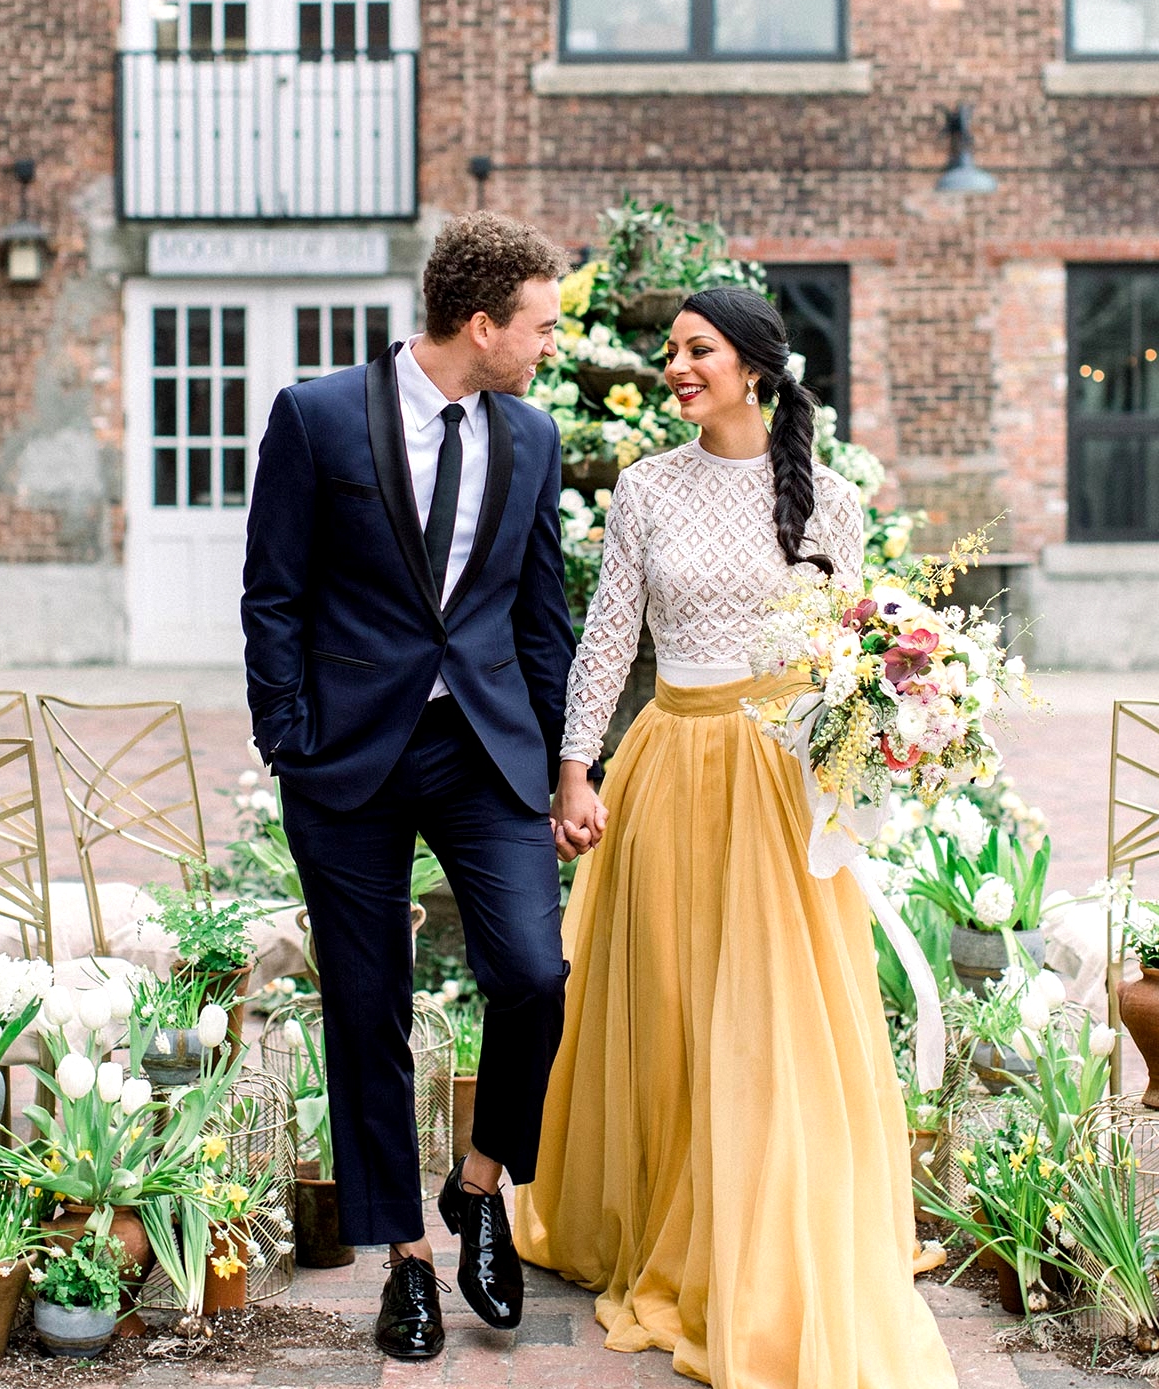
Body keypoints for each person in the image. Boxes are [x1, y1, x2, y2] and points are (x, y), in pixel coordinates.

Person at [515, 286, 957, 1388]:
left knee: (769, 1010)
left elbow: (862, 660)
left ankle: (762, 1222)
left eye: (695, 349)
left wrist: (885, 749)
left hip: (777, 782)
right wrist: (573, 769)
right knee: (668, 1001)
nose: (674, 366)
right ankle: (666, 1209)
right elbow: (606, 640)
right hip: (668, 762)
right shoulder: (645, 488)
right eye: (668, 351)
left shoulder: (830, 498)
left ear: (753, 367)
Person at [241, 212, 577, 1363]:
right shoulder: (318, 414)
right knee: (366, 1005)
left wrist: (566, 760)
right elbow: (272, 590)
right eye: (536, 325)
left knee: (534, 971)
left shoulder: (528, 435)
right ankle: (409, 1263)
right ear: (479, 323)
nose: (547, 345)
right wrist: (285, 734)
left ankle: (479, 1186)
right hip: (345, 753)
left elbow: (542, 615)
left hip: (485, 747)